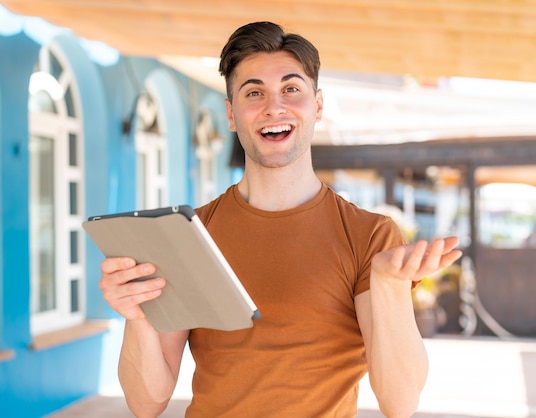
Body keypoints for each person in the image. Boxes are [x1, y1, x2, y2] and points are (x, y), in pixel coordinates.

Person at [100, 21, 462, 418]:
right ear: (232, 114)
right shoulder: (189, 236)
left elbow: (400, 402)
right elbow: (146, 402)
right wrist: (136, 316)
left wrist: (390, 287)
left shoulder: (370, 235)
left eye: (291, 89)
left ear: (318, 106)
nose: (274, 107)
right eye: (254, 92)